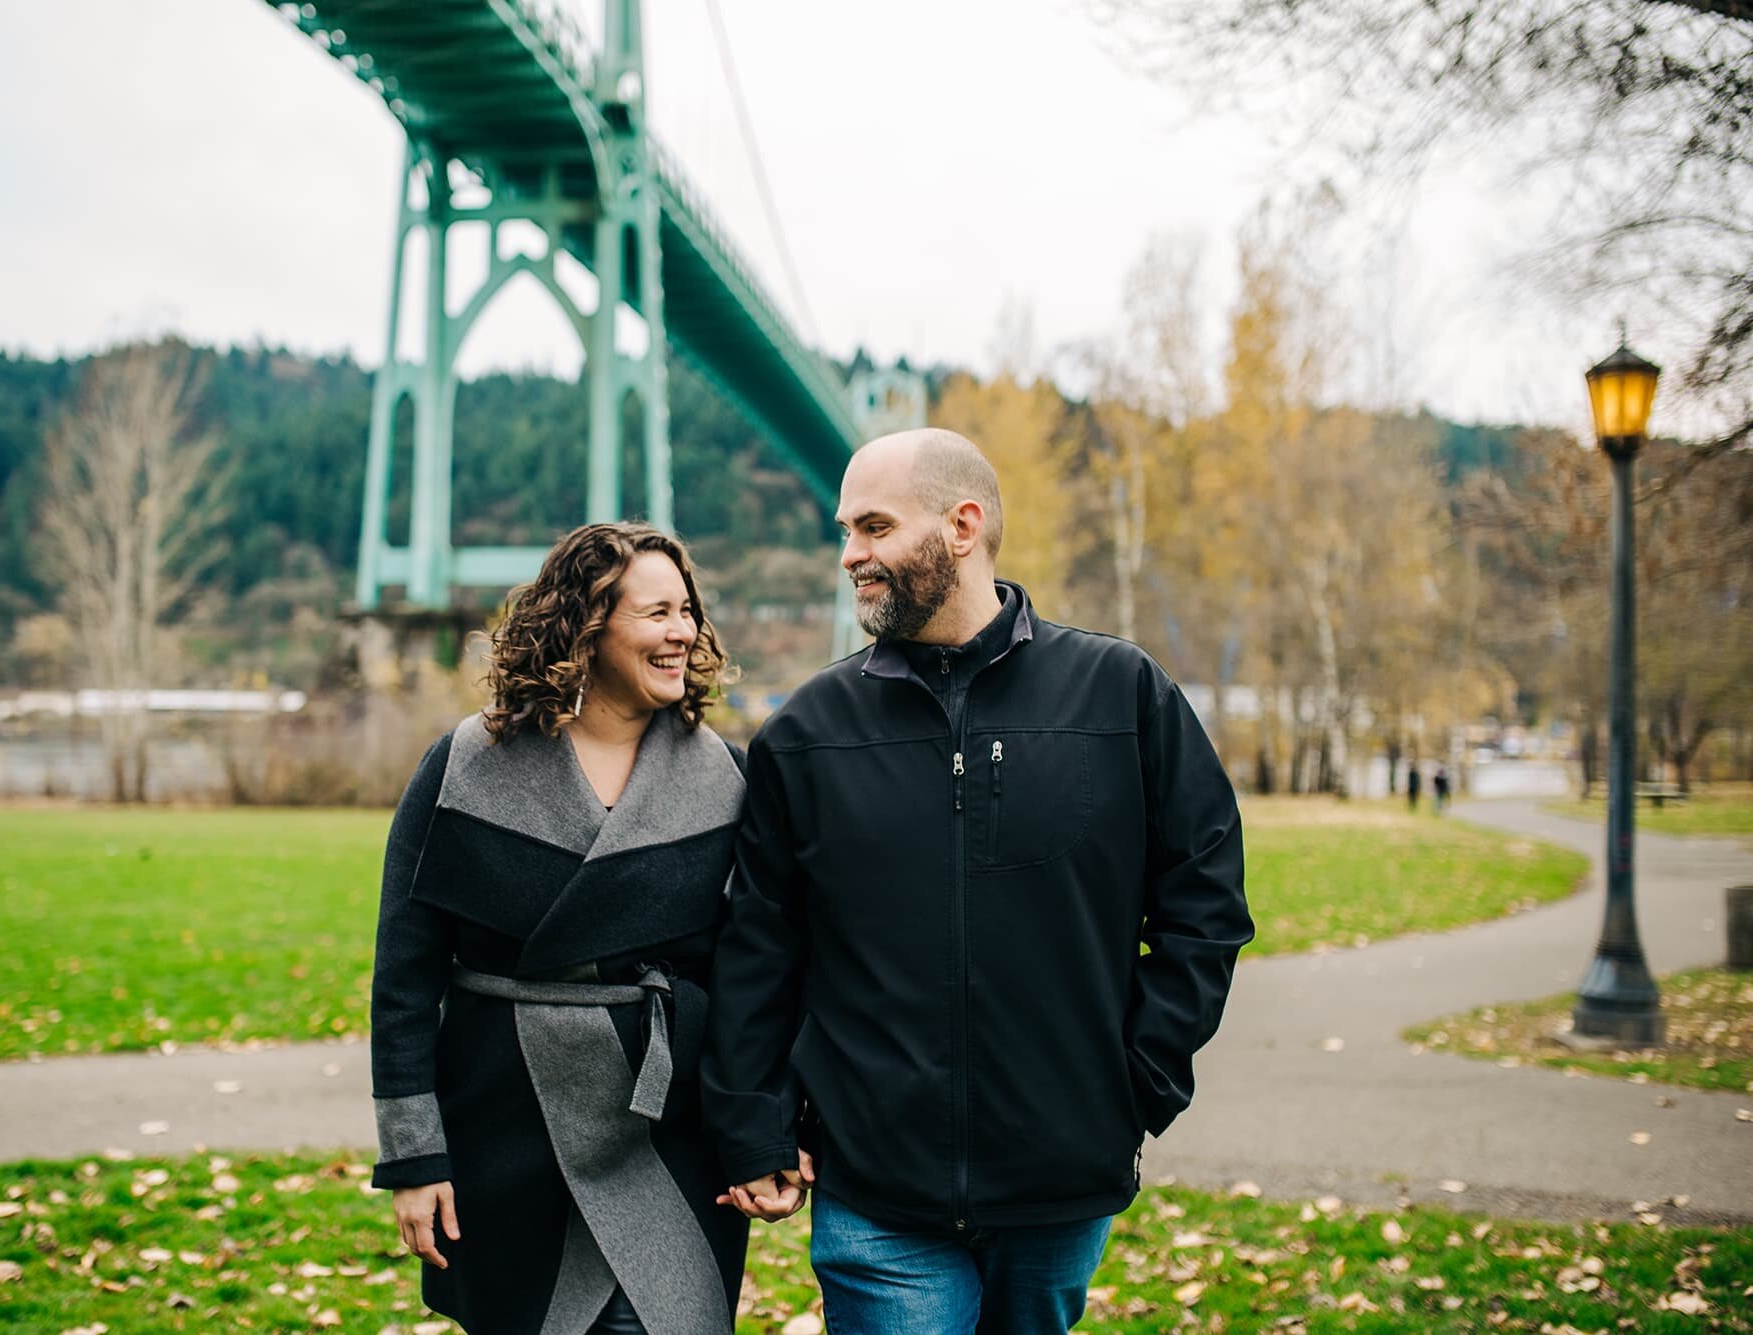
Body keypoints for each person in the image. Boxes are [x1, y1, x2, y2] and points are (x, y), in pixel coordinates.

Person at [701, 429, 1253, 1334]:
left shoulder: (1121, 696)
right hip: (876, 1187)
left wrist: (1137, 1083)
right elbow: (761, 944)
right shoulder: (807, 732)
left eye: (874, 526)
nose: (851, 555)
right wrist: (755, 1124)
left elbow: (1206, 905)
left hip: (1062, 1177)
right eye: (847, 530)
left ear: (963, 526)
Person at [371, 522, 749, 1334]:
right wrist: (413, 1156)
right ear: (586, 625)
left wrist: (766, 1132)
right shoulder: (466, 767)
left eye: (687, 611)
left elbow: (755, 975)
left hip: (668, 1138)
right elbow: (405, 976)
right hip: (508, 1142)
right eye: (656, 613)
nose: (683, 630)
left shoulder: (724, 777)